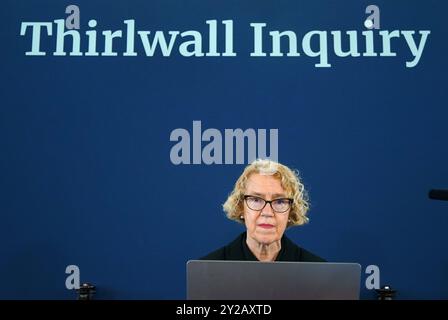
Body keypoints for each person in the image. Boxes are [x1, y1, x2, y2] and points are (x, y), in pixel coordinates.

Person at [201, 159, 325, 262]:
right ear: (240, 207)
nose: (267, 212)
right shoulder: (206, 270)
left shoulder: (318, 272)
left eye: (280, 201)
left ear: (291, 212)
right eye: (256, 200)